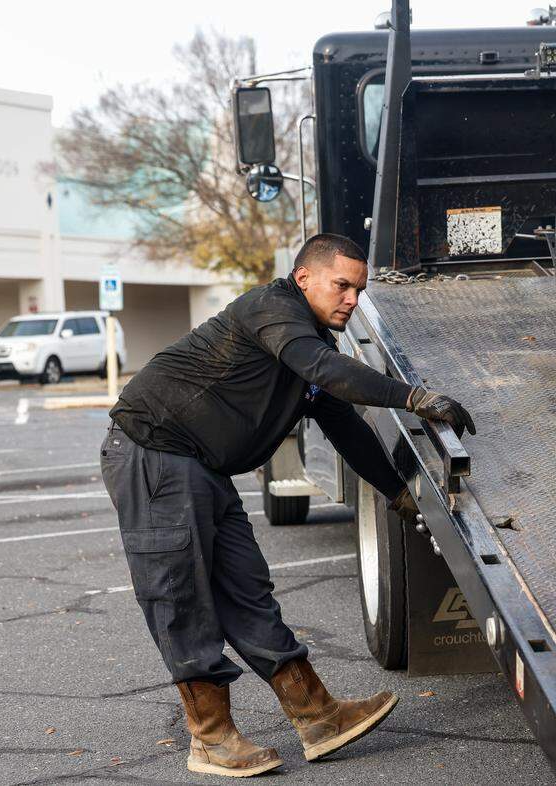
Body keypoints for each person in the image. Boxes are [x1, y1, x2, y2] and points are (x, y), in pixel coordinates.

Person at [100, 233, 475, 777]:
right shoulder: (272, 310)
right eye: (341, 285)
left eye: (359, 289)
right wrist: (414, 397)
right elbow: (326, 371)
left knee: (247, 589)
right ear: (304, 278)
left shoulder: (308, 341)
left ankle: (317, 715)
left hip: (203, 467)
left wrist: (397, 493)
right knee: (180, 596)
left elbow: (343, 422)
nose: (351, 298)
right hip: (152, 453)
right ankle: (211, 738)